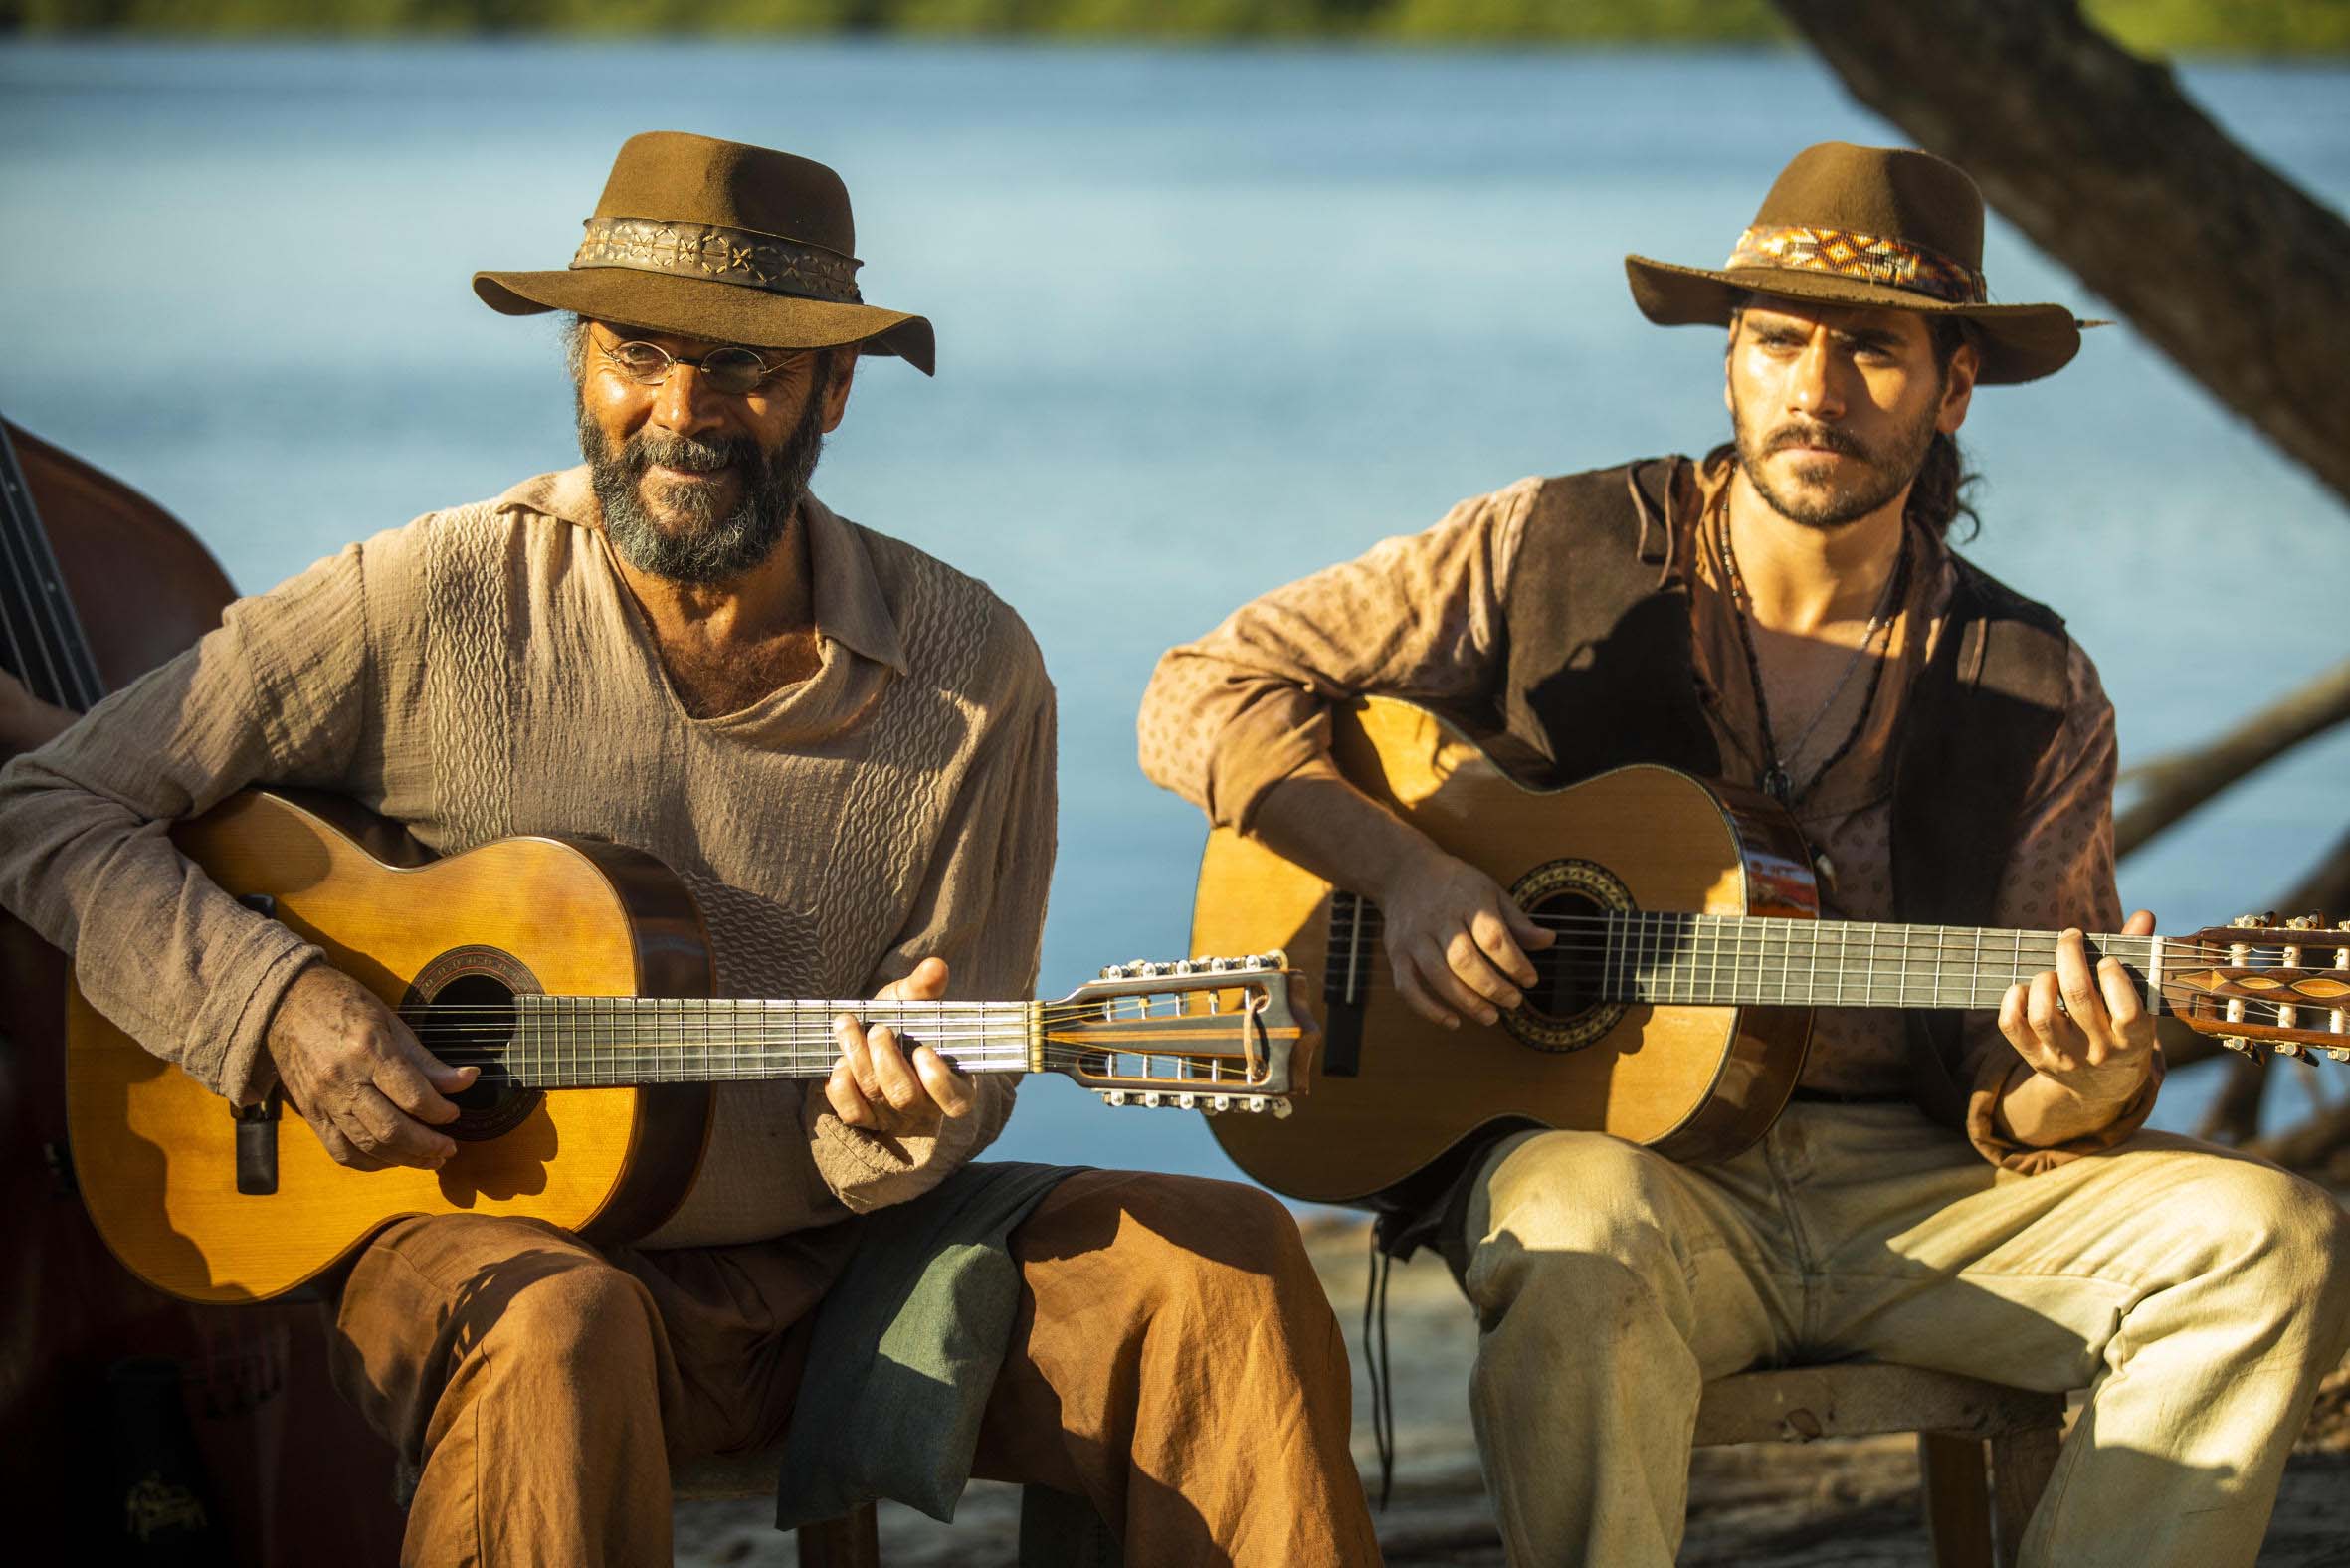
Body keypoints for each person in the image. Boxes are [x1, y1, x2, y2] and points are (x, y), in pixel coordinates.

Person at [0, 131, 1380, 1567]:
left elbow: (931, 1100)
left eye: (745, 370)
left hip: (850, 1269)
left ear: (835, 389)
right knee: (560, 1327)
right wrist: (279, 1004)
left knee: (1221, 1272)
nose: (679, 413)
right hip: (494, 1253)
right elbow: (47, 805)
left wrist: (898, 1123)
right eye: (635, 355)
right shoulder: (426, 594)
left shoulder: (971, 667)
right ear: (578, 360)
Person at [1136, 140, 2350, 1566]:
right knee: (1573, 1227)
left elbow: (2016, 1103)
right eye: (1777, 340)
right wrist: (1406, 874)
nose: (1815, 393)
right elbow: (1194, 693)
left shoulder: (2033, 683)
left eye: (1873, 354)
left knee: (2272, 1237)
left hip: (1920, 1193)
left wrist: (2080, 1080)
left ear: (1954, 387)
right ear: (1729, 354)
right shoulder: (1545, 546)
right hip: (1627, 1172)